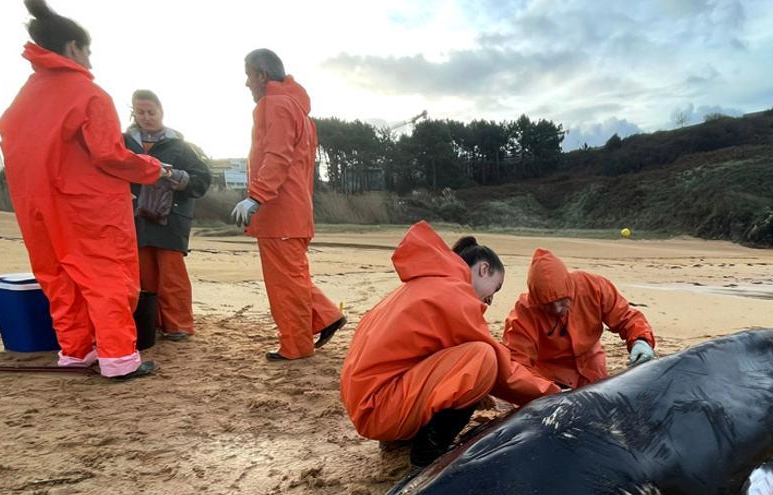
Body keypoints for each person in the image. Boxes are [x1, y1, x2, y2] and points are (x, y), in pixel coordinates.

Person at [0, 0, 167, 379]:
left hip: (34, 203)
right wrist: (154, 168)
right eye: (87, 51)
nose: (90, 59)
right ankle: (119, 358)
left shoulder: (27, 96)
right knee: (106, 275)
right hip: (86, 205)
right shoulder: (88, 93)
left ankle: (76, 351)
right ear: (73, 48)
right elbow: (109, 153)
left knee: (58, 276)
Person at [340, 222, 562, 468]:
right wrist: (554, 395)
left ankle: (400, 437)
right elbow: (502, 370)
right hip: (379, 409)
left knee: (471, 364)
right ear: (484, 269)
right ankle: (427, 456)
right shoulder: (453, 295)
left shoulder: (423, 286)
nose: (490, 299)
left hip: (369, 401)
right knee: (483, 358)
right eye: (495, 288)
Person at [232, 48, 345, 361]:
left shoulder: (277, 105)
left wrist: (256, 196)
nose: (246, 84)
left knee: (285, 285)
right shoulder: (297, 108)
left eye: (248, 76)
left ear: (262, 76)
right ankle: (324, 317)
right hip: (293, 210)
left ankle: (295, 346)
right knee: (293, 278)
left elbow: (277, 156)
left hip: (280, 212)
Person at [124, 90, 211, 341]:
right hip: (135, 219)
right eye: (141, 112)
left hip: (170, 219)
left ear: (162, 112)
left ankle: (178, 325)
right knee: (143, 276)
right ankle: (151, 323)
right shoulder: (123, 142)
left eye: (152, 112)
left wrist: (176, 177)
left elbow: (202, 180)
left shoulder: (180, 145)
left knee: (172, 275)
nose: (147, 117)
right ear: (134, 113)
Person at [502, 249, 656, 389]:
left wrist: (641, 340)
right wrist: (547, 391)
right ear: (536, 300)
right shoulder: (523, 314)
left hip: (592, 369)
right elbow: (517, 363)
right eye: (548, 305)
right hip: (550, 379)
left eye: (562, 302)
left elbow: (627, 317)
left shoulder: (594, 287)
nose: (557, 309)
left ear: (570, 288)